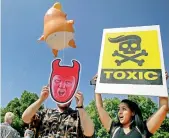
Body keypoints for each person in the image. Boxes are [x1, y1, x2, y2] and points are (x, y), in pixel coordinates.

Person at [92, 72, 169, 138]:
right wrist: (96, 85)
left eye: (124, 109)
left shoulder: (143, 129)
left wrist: (162, 83)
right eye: (118, 109)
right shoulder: (114, 129)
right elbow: (100, 107)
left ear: (133, 112)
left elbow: (164, 108)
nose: (120, 112)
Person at [22, 86, 95, 138]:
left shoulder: (79, 116)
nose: (64, 98)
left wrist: (80, 107)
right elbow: (25, 118)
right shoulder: (45, 113)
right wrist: (41, 100)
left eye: (67, 95)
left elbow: (89, 132)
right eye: (61, 94)